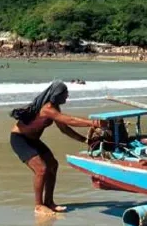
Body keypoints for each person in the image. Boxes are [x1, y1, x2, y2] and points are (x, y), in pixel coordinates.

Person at [9, 80, 103, 217]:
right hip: (20, 139)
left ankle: (49, 202)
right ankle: (38, 206)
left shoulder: (55, 108)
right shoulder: (47, 109)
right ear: (57, 95)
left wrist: (85, 140)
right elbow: (70, 120)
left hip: (33, 140)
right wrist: (95, 123)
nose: (67, 96)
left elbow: (65, 128)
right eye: (65, 94)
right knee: (41, 169)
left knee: (53, 165)